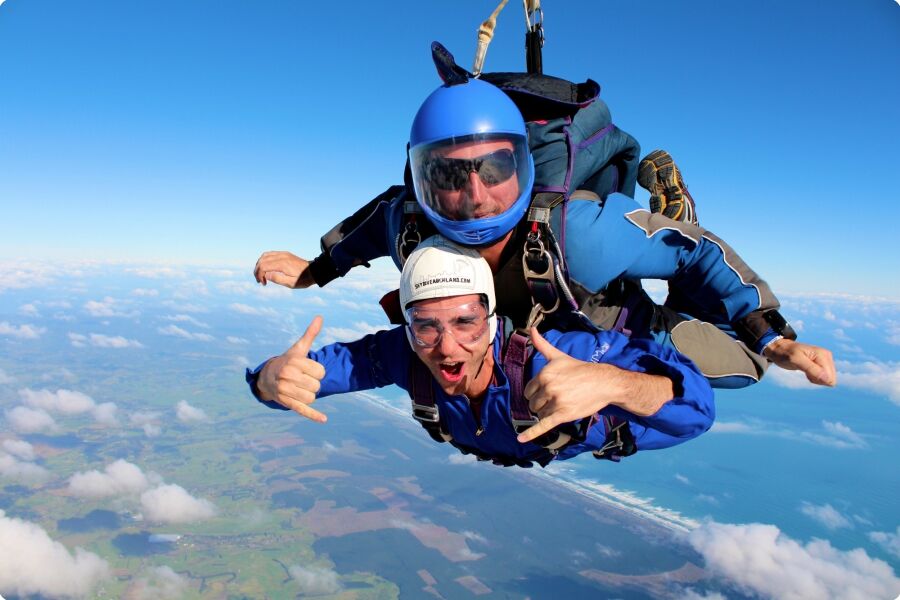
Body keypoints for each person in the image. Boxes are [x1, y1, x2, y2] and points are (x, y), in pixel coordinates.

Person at [254, 67, 836, 393]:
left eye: (495, 168)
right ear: (423, 180)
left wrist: (771, 338)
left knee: (741, 368)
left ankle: (673, 211)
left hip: (617, 323)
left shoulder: (579, 237)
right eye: (450, 176)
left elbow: (699, 253)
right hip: (534, 330)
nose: (476, 195)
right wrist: (316, 269)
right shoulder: (410, 223)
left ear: (523, 167)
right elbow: (376, 220)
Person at [247, 237, 715, 468]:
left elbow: (696, 411)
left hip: (643, 420)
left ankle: (677, 242)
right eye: (425, 325)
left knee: (681, 327)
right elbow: (302, 377)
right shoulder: (403, 355)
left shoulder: (555, 358)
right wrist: (268, 380)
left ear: (491, 320)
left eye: (465, 321)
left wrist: (612, 383)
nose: (446, 347)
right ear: (407, 327)